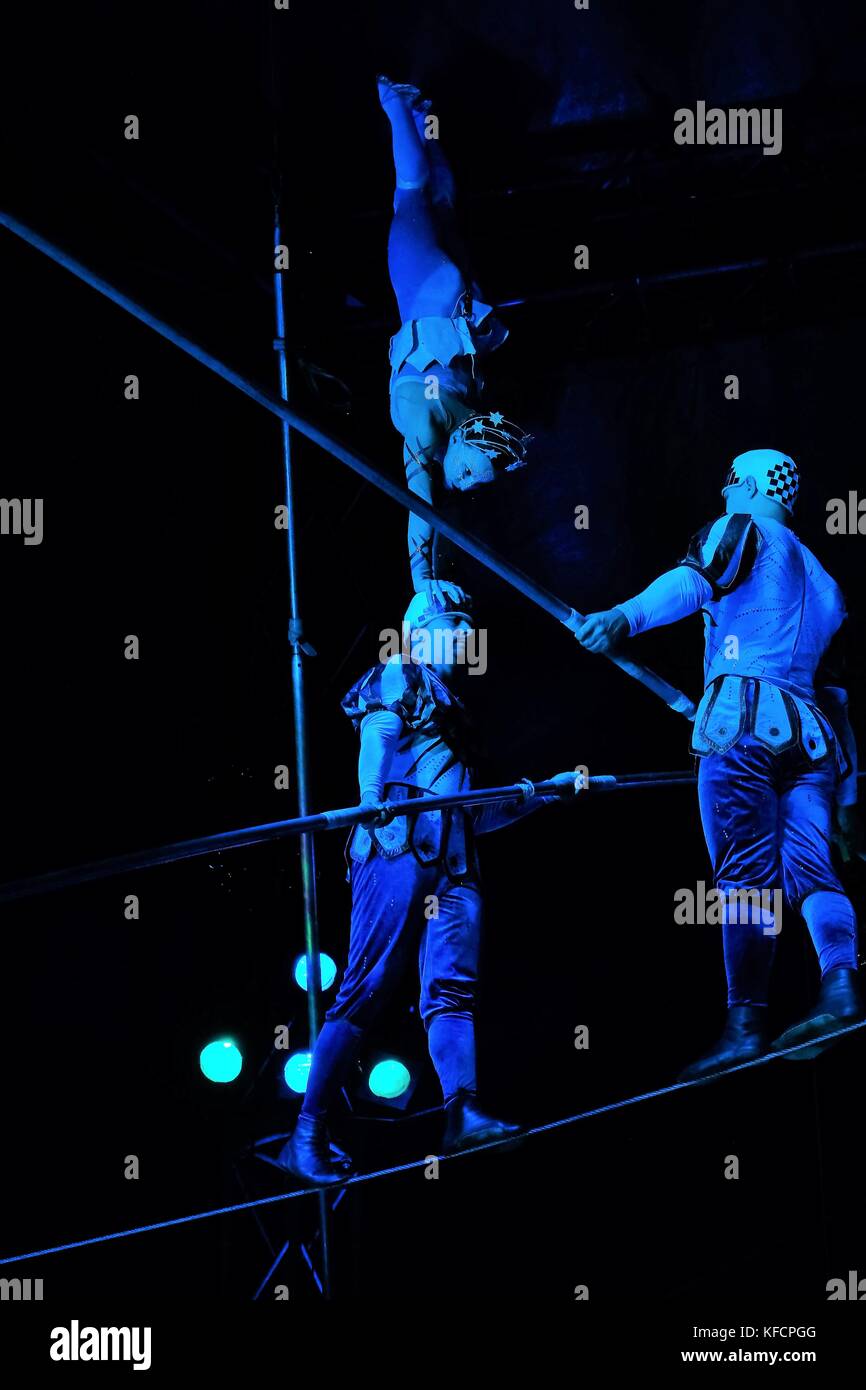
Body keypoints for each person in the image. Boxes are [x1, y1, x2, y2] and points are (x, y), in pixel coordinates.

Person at [575, 449, 862, 1080]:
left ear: (752, 485)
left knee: (744, 881)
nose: (725, 490)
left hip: (743, 719)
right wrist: (848, 805)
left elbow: (695, 581)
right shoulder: (827, 582)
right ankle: (841, 987)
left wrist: (623, 616)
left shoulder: (741, 530)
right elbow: (837, 699)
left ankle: (745, 1025)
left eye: (732, 481)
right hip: (811, 740)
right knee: (813, 872)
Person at [278, 588, 579, 1184]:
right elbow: (380, 732)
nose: (464, 638)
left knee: (451, 992)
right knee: (368, 987)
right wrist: (370, 799)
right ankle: (306, 1131)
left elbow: (473, 812)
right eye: (453, 625)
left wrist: (541, 794)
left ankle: (461, 1111)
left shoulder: (455, 708)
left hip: (455, 864)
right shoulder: (401, 674)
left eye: (467, 627)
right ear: (421, 628)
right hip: (395, 849)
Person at [378, 75, 530, 605]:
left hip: (457, 296)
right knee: (413, 195)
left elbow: (434, 513)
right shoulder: (426, 430)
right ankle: (395, 106)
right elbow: (420, 517)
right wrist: (423, 588)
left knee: (439, 200)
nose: (462, 486)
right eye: (466, 479)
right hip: (428, 291)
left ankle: (422, 120)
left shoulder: (467, 419)